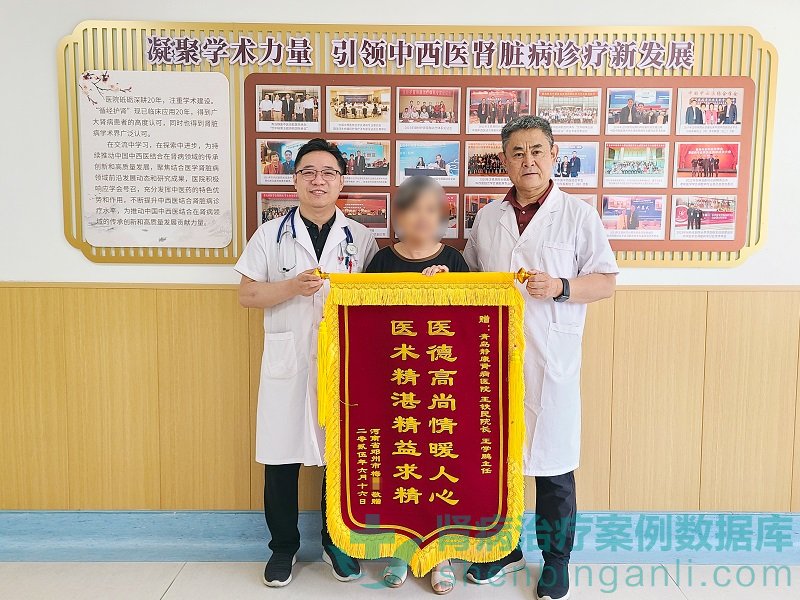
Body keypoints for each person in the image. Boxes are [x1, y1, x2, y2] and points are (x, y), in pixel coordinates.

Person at [464, 116, 617, 600]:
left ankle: (556, 560)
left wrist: (560, 287)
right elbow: (472, 278)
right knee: (496, 462)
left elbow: (605, 282)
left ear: (553, 155)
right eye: (517, 152)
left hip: (551, 358)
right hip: (493, 360)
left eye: (536, 151)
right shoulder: (488, 218)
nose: (527, 160)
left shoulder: (578, 215)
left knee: (553, 466)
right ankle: (504, 548)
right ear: (504, 161)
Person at [236, 138, 379, 588]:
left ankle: (336, 543)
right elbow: (247, 294)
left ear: (342, 182)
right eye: (309, 172)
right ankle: (283, 548)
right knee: (280, 458)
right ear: (295, 180)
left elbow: (377, 299)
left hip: (343, 363)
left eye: (328, 173)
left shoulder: (361, 237)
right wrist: (291, 288)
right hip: (289, 362)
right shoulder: (269, 234)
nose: (319, 181)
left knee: (339, 456)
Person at [365, 175, 468, 594]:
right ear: (398, 215)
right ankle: (401, 550)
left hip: (442, 389)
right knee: (400, 470)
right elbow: (365, 323)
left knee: (440, 472)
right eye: (412, 208)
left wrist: (447, 289)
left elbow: (469, 328)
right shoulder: (381, 261)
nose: (421, 217)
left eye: (430, 209)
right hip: (395, 385)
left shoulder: (455, 261)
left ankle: (441, 555)